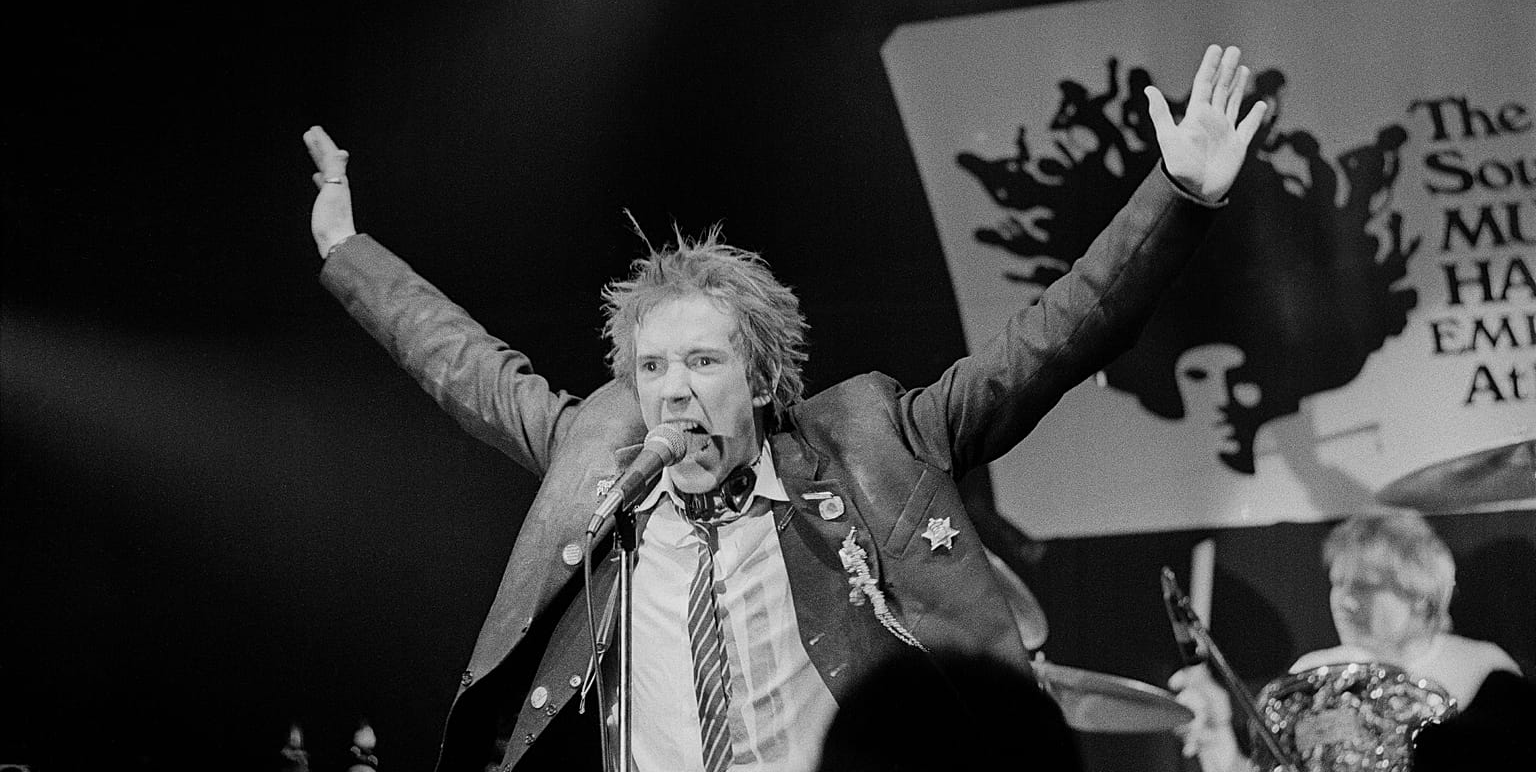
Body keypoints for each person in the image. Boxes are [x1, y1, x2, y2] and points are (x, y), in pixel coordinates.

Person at [303, 45, 1266, 772]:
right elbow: (468, 369)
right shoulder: (599, 465)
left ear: (760, 379)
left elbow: (1048, 345)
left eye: (702, 361)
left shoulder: (872, 442)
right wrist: (348, 253)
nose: (672, 388)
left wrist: (1177, 197)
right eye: (651, 366)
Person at [1171, 509, 1523, 772]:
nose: (1344, 601)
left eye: (1364, 586)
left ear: (1419, 595)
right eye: (1338, 583)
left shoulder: (1482, 670)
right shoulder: (1314, 675)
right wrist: (1218, 740)